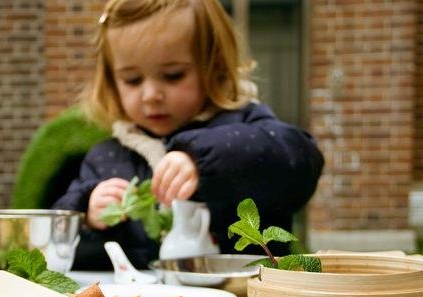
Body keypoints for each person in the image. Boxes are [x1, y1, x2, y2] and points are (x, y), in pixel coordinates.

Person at [53, 0, 324, 270]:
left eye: (173, 75)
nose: (151, 96)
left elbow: (301, 162)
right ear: (112, 81)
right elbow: (60, 247)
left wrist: (203, 160)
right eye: (132, 79)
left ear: (214, 66)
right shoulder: (107, 158)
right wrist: (88, 218)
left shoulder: (247, 125)